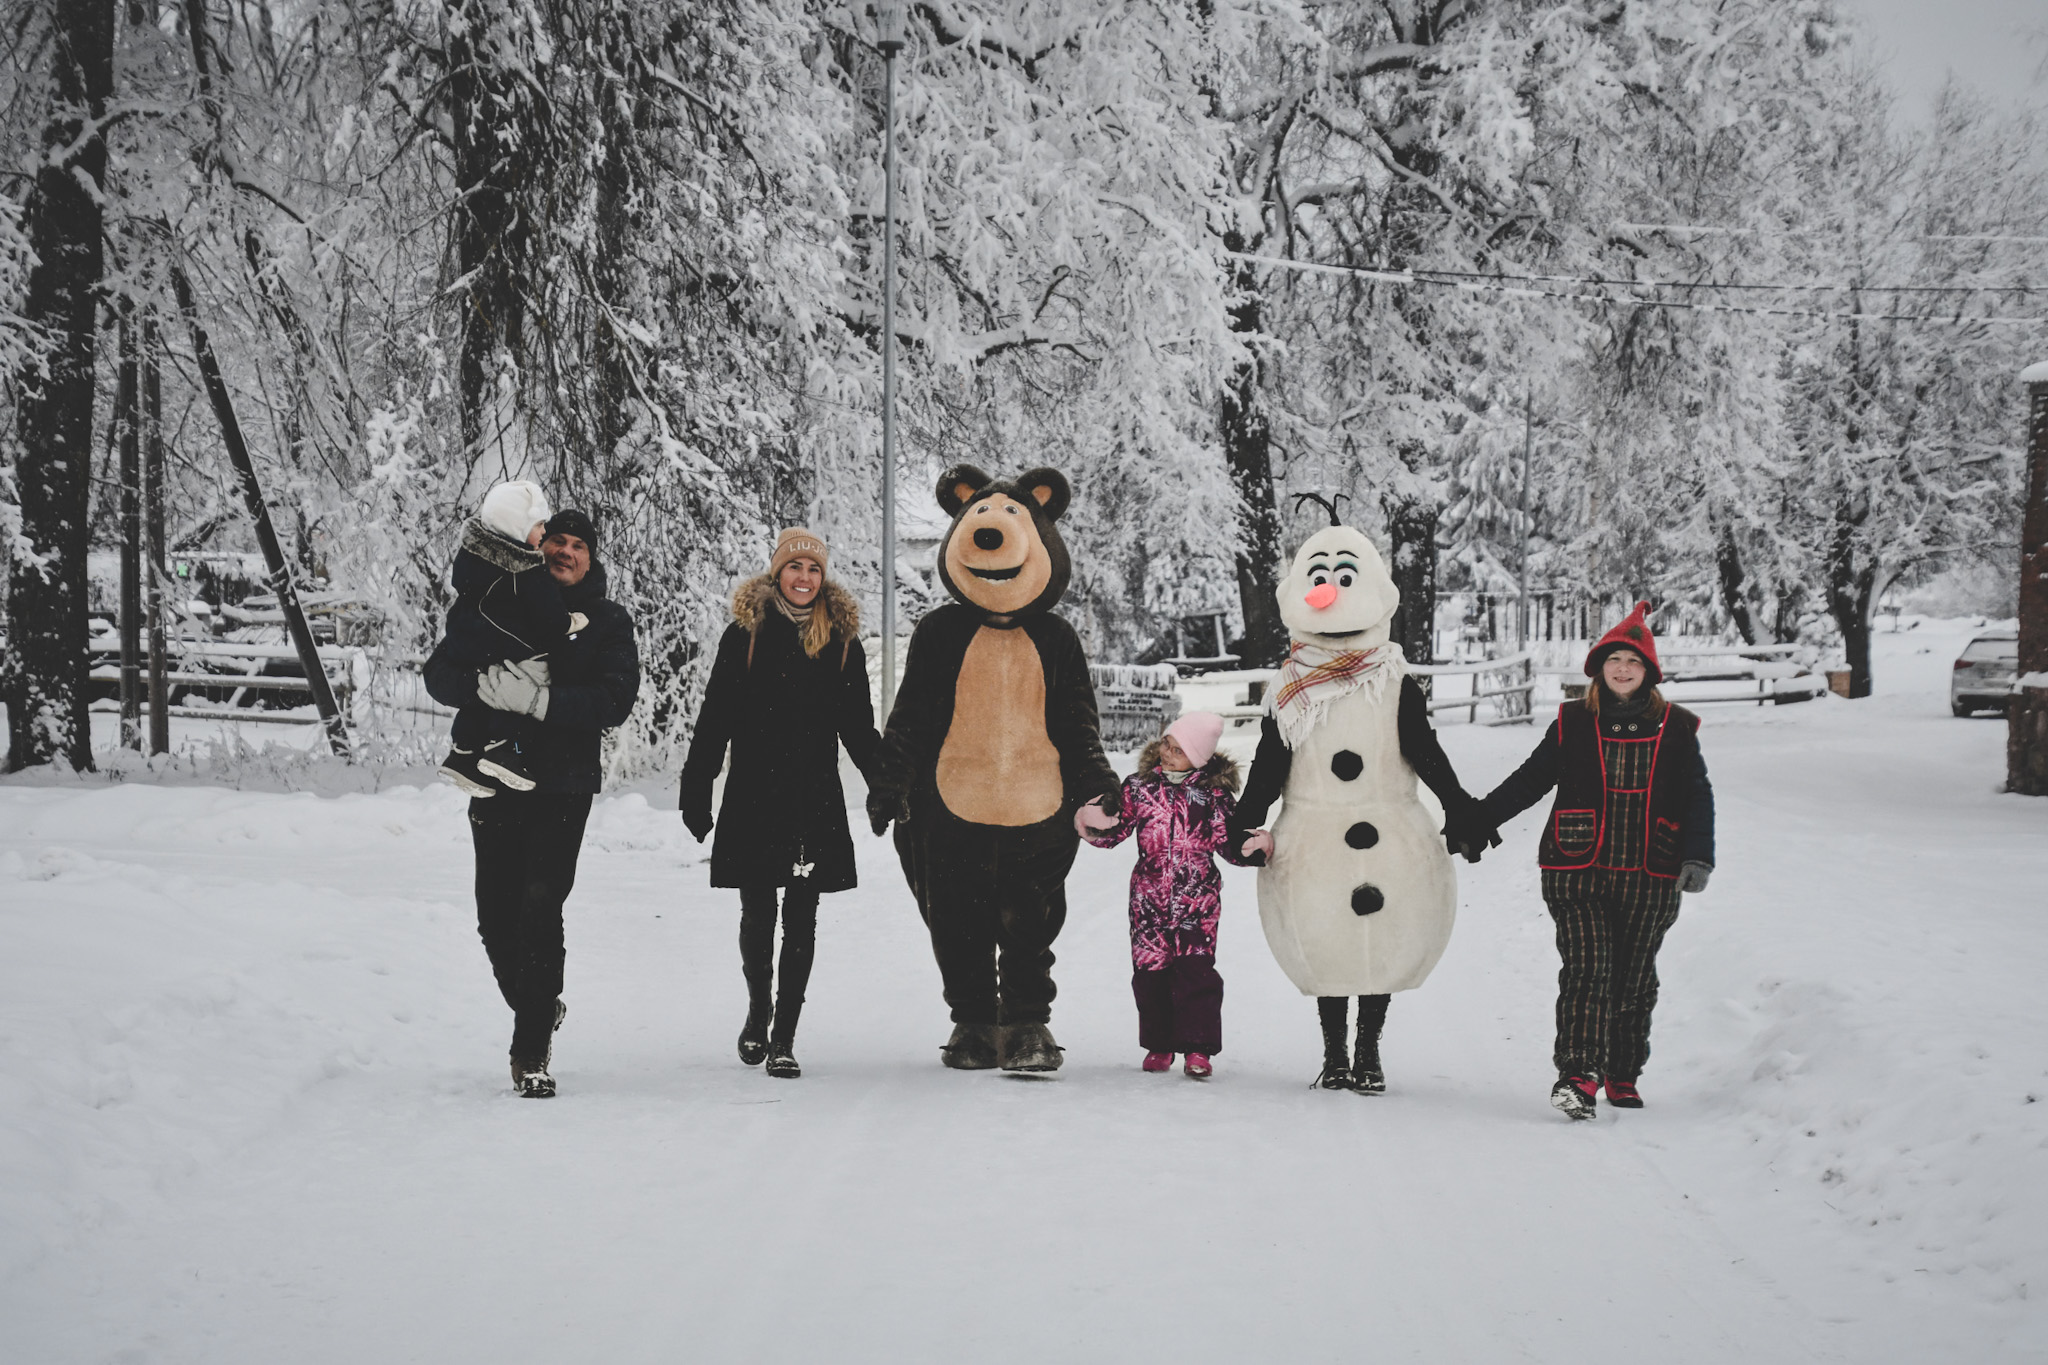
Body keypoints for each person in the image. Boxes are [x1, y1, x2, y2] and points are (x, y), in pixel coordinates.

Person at [1470, 601, 1716, 1120]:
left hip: (1653, 872)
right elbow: (1531, 780)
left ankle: (1622, 1071)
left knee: (1633, 977)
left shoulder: (1678, 728)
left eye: (1633, 660)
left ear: (1648, 670)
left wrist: (1698, 856)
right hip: (1576, 868)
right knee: (1588, 969)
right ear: (1598, 669)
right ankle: (1579, 1074)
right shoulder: (1573, 723)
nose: (1623, 669)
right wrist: (1481, 817)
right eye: (1613, 660)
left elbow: (1698, 794)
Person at [424, 509, 640, 1098]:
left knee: (539, 908)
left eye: (578, 545)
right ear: (538, 548)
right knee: (494, 917)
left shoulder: (607, 621)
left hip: (562, 785)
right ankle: (539, 1008)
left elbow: (613, 699)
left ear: (592, 558)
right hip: (492, 779)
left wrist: (540, 702)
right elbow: (438, 673)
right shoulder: (505, 603)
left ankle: (530, 1052)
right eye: (555, 541)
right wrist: (482, 687)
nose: (565, 551)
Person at [679, 529, 878, 1080]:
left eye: (813, 570)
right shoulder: (744, 635)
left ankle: (785, 1035)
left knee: (803, 916)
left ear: (823, 578)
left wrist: (885, 786)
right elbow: (715, 715)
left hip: (812, 799)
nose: (804, 578)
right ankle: (757, 1010)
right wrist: (697, 785)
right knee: (757, 913)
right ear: (777, 574)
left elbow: (857, 728)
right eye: (794, 568)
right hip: (752, 796)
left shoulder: (841, 642)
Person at [1076, 712, 1269, 1079]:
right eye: (1166, 743)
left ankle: (1198, 1048)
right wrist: (1098, 822)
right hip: (1147, 898)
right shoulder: (1139, 787)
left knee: (1196, 972)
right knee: (1150, 974)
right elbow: (1118, 830)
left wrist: (1251, 848)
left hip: (1198, 900)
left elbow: (1227, 842)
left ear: (1198, 757)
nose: (1166, 752)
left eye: (1178, 749)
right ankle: (1159, 1044)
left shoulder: (1212, 795)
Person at [434, 480, 587, 796]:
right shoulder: (527, 569)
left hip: (468, 637)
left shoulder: (472, 559)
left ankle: (463, 753)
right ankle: (506, 748)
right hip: (507, 640)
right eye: (540, 525)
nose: (543, 532)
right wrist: (569, 623)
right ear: (518, 528)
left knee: (485, 692)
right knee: (530, 673)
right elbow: (548, 615)